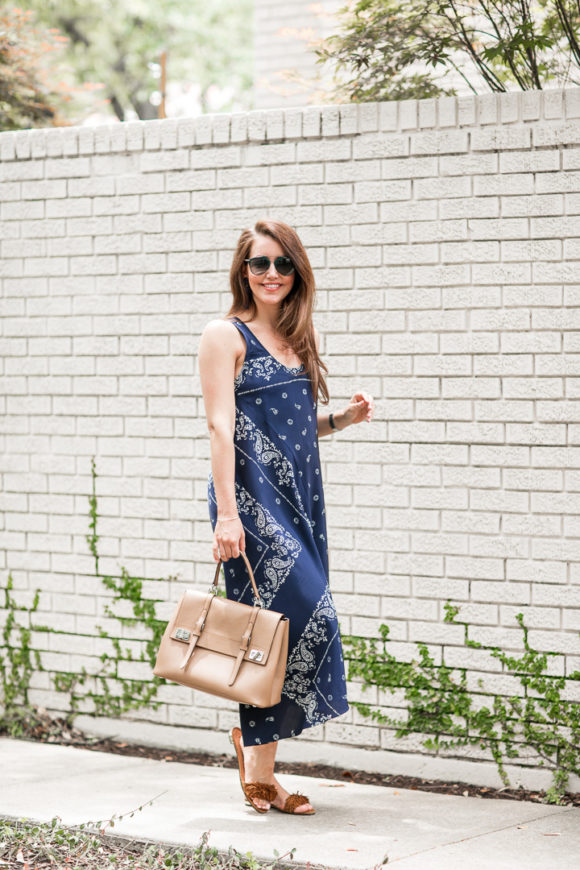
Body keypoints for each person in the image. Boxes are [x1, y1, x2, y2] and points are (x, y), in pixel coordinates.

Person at [198, 219, 374, 815]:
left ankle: (260, 768)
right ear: (242, 271)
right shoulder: (226, 335)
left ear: (297, 272)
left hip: (301, 502)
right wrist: (227, 515)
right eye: (259, 264)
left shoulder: (299, 336)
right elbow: (222, 426)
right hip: (250, 503)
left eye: (282, 265)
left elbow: (300, 429)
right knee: (304, 616)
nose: (270, 274)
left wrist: (341, 420)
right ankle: (257, 759)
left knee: (276, 633)